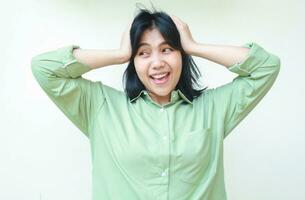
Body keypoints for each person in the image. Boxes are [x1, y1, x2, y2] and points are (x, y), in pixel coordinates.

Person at [31, 8, 280, 200]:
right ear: (133, 61)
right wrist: (119, 54)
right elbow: (45, 69)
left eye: (167, 49)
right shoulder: (100, 106)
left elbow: (266, 67)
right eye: (143, 52)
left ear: (181, 55)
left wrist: (193, 46)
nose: (157, 62)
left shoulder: (213, 107)